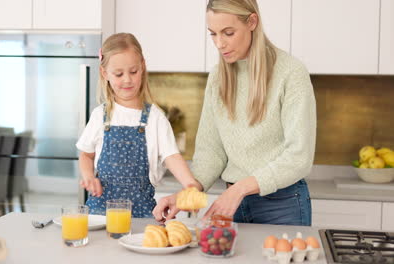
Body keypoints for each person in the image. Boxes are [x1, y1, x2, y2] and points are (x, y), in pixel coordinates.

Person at [153, 0, 316, 226]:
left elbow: (299, 157)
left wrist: (240, 188)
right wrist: (187, 193)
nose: (219, 43)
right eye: (213, 34)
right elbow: (211, 152)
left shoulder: (290, 72)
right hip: (233, 205)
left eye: (228, 33)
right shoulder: (218, 77)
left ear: (252, 21)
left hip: (282, 204)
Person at [76, 33, 201, 218]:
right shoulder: (100, 116)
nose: (127, 79)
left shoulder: (155, 119)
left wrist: (191, 185)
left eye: (133, 71)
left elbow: (172, 156)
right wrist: (89, 176)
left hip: (142, 218)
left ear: (142, 66)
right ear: (105, 74)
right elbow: (86, 154)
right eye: (118, 74)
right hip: (99, 217)